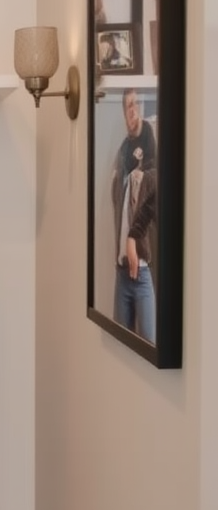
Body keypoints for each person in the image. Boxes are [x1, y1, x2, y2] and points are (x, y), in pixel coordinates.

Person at [110, 87, 157, 341]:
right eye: (128, 105)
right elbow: (118, 205)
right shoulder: (123, 154)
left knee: (149, 342)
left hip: (143, 270)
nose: (133, 110)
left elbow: (154, 196)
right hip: (121, 271)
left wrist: (133, 239)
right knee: (120, 346)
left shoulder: (150, 147)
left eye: (136, 103)